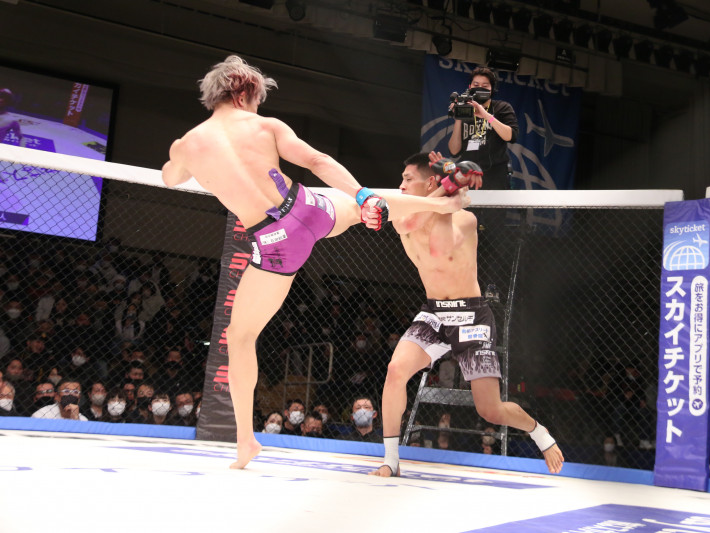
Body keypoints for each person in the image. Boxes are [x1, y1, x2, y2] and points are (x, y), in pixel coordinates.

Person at [161, 55, 466, 469]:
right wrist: (362, 195)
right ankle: (440, 204)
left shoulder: (188, 144)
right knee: (357, 208)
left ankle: (245, 441)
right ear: (245, 92)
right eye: (257, 99)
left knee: (240, 337)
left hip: (275, 242)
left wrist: (181, 160)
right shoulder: (266, 127)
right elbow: (318, 161)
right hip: (307, 207)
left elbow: (171, 178)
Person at [369, 153, 564, 477]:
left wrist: (451, 192)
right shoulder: (403, 214)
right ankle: (391, 460)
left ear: (429, 182)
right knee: (395, 370)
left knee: (490, 410)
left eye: (408, 179)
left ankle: (539, 432)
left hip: (471, 315)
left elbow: (440, 247)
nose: (400, 185)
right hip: (434, 312)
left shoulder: (465, 220)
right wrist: (449, 187)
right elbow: (407, 221)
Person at [447, 67, 518, 190]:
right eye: (476, 85)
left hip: (496, 175)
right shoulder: (466, 109)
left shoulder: (502, 107)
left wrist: (486, 115)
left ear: (492, 89)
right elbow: (454, 151)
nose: (480, 88)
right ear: (470, 87)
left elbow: (511, 136)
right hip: (468, 174)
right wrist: (458, 117)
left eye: (485, 86)